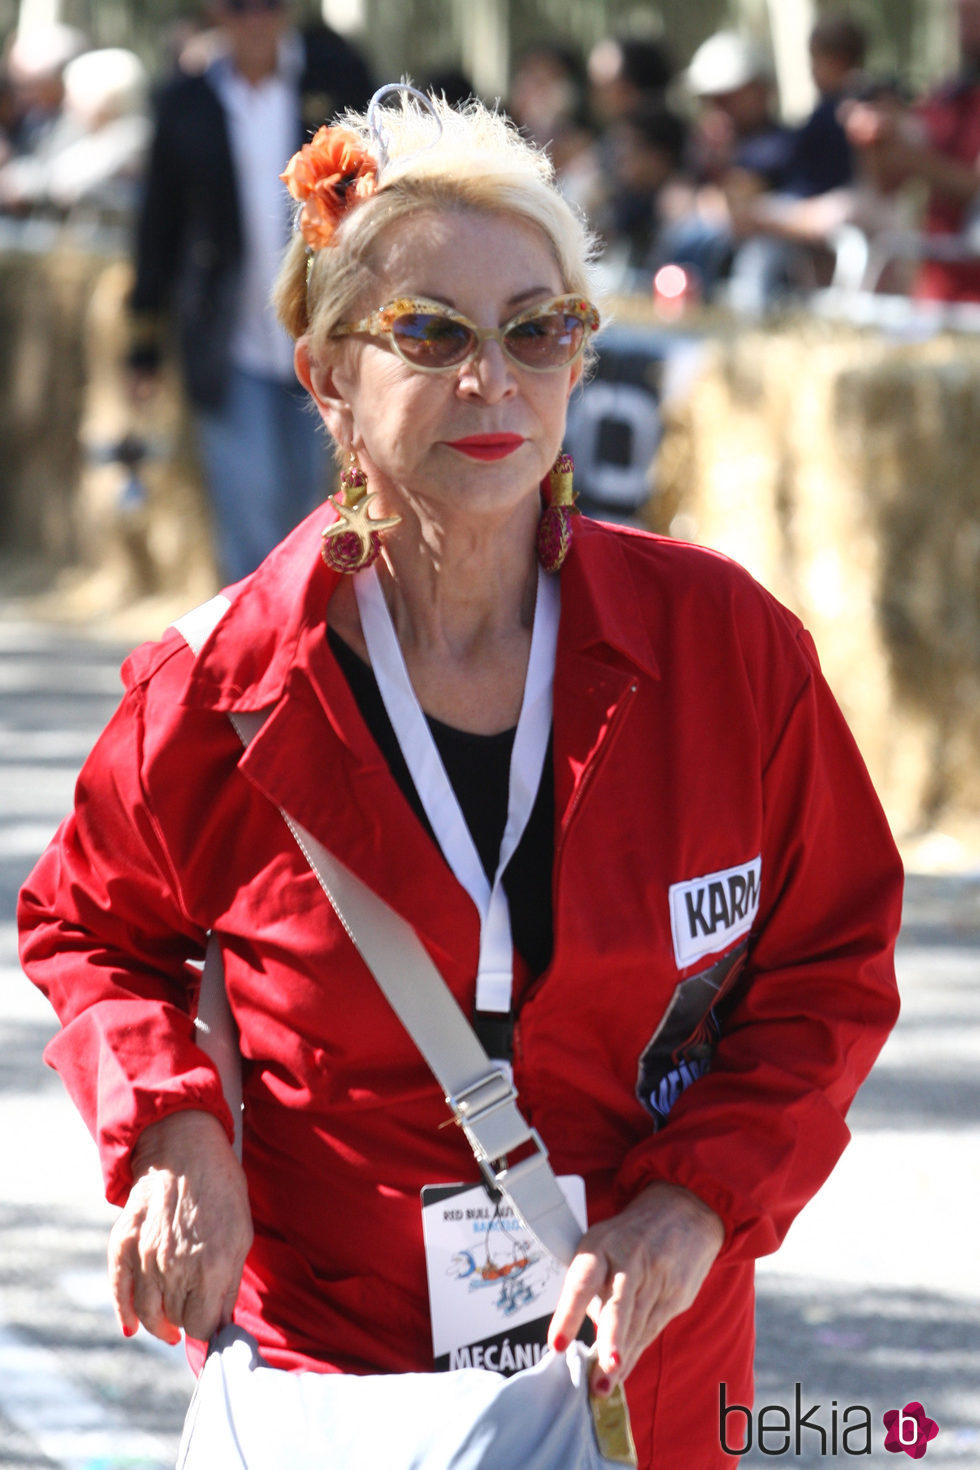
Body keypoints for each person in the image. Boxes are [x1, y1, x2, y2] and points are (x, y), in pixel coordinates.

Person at [19, 90, 903, 1469]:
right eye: (431, 332)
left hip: (640, 1379)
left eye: (541, 328)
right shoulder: (218, 688)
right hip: (331, 1384)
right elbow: (92, 927)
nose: (496, 379)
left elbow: (830, 960)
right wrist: (176, 1130)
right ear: (324, 376)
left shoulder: (728, 652)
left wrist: (693, 1207)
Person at [127, 0, 373, 583]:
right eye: (240, 4)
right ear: (216, 10)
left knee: (321, 515)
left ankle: (318, 659)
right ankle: (258, 665)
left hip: (329, 336)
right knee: (249, 521)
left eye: (270, 3)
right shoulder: (183, 100)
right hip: (230, 342)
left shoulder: (336, 74)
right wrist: (141, 343)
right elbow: (157, 226)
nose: (256, 17)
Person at [845, 0, 980, 302]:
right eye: (961, 13)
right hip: (937, 298)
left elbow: (974, 188)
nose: (964, 24)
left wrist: (910, 156)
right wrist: (876, 138)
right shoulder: (947, 98)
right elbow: (886, 183)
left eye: (973, 13)